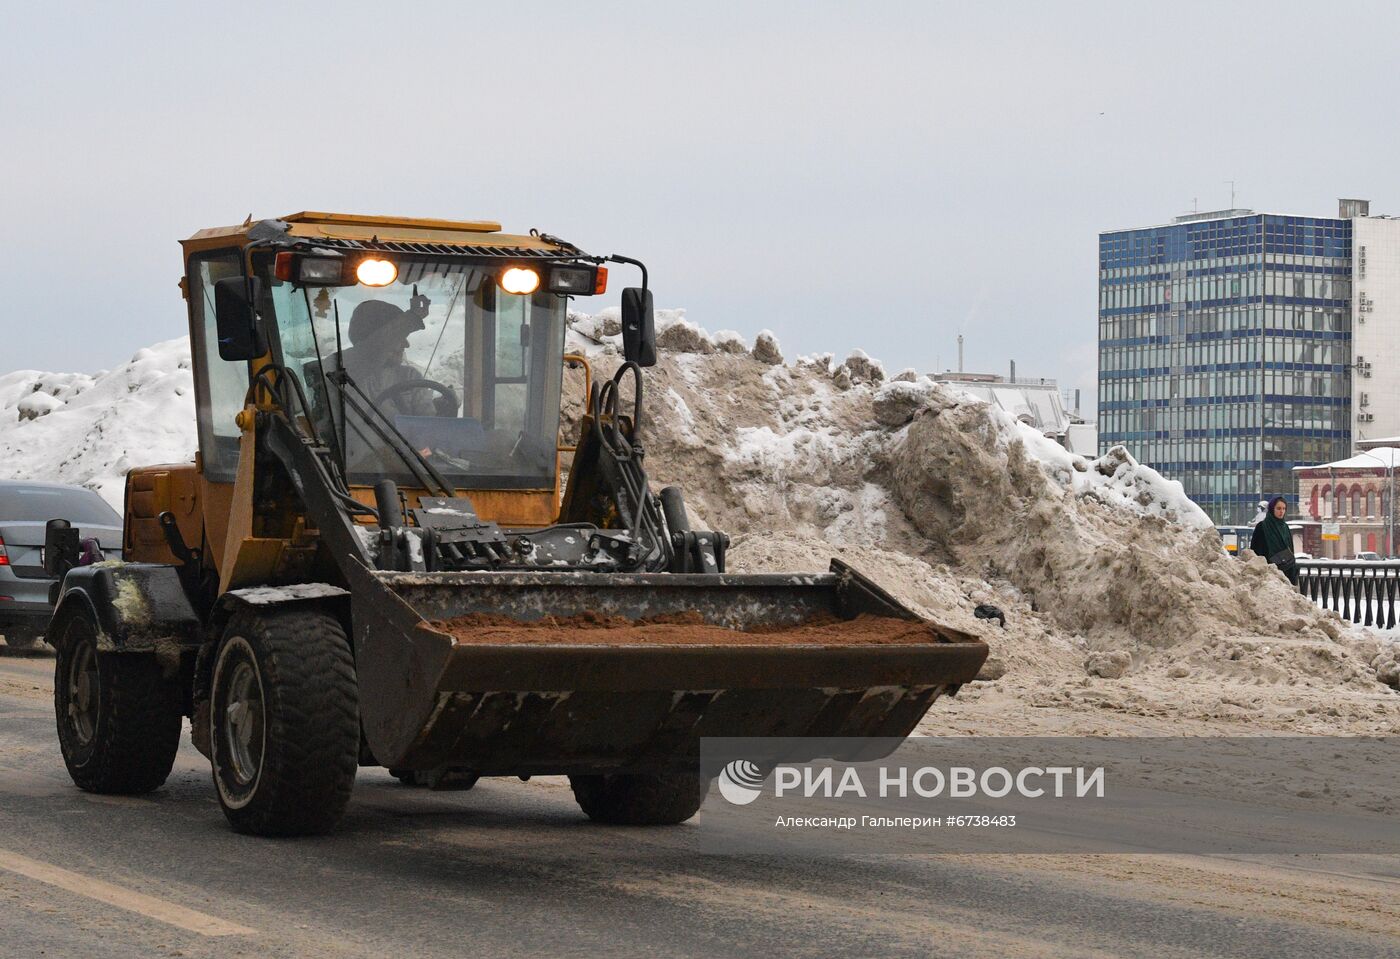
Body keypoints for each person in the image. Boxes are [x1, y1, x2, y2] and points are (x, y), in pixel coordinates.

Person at [338, 295, 435, 417]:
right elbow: (371, 349)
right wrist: (411, 318)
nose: (406, 344)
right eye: (399, 337)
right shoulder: (342, 373)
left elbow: (426, 426)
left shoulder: (410, 377)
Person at [1250, 495, 1298, 586]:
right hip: (1268, 574)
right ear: (1272, 509)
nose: (1281, 511)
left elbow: (1290, 550)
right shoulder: (1262, 527)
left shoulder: (1285, 527)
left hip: (1286, 572)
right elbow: (1255, 551)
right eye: (1278, 508)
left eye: (1284, 508)